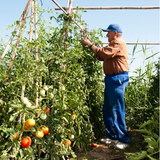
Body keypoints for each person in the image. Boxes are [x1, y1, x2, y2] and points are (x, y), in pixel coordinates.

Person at [81, 24, 130, 149]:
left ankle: (123, 139)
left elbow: (105, 54)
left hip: (117, 78)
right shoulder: (112, 44)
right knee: (108, 109)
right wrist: (93, 48)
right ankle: (112, 136)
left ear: (114, 33)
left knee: (116, 108)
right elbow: (101, 55)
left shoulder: (118, 42)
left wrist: (90, 45)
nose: (106, 35)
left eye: (108, 32)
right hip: (111, 79)